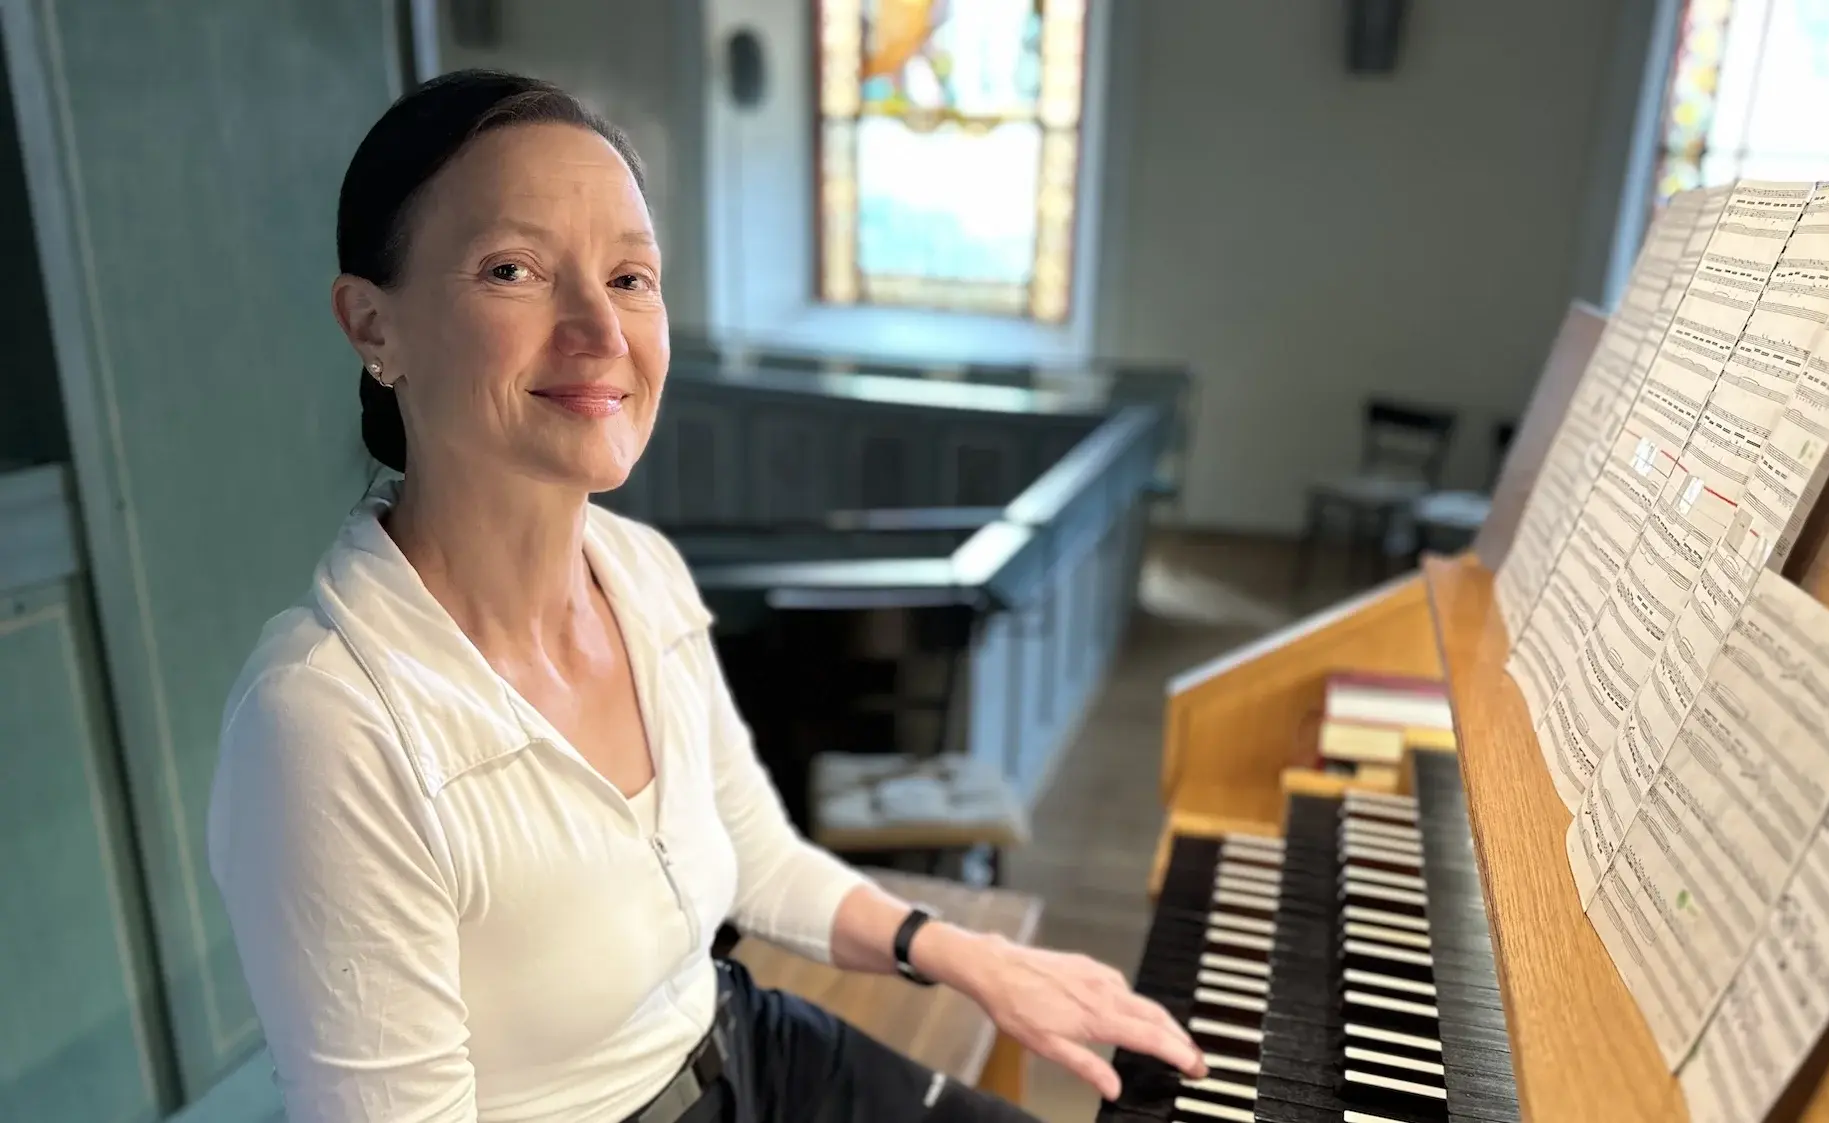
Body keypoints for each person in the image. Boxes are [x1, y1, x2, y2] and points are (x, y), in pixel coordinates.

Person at [205, 69, 1205, 1123]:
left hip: (750, 1048)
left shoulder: (640, 572)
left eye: (632, 277)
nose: (600, 330)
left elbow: (751, 854)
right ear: (373, 325)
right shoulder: (324, 722)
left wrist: (957, 952)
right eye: (514, 269)